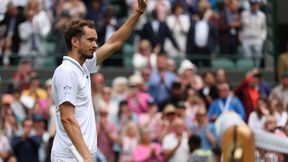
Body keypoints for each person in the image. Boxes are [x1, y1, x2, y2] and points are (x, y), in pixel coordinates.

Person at [50, 0, 148, 161]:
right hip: (70, 157)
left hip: (81, 154)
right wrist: (87, 156)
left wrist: (138, 12)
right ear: (75, 42)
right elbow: (67, 118)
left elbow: (114, 42)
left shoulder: (84, 66)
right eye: (90, 40)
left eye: (95, 40)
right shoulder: (67, 72)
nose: (95, 45)